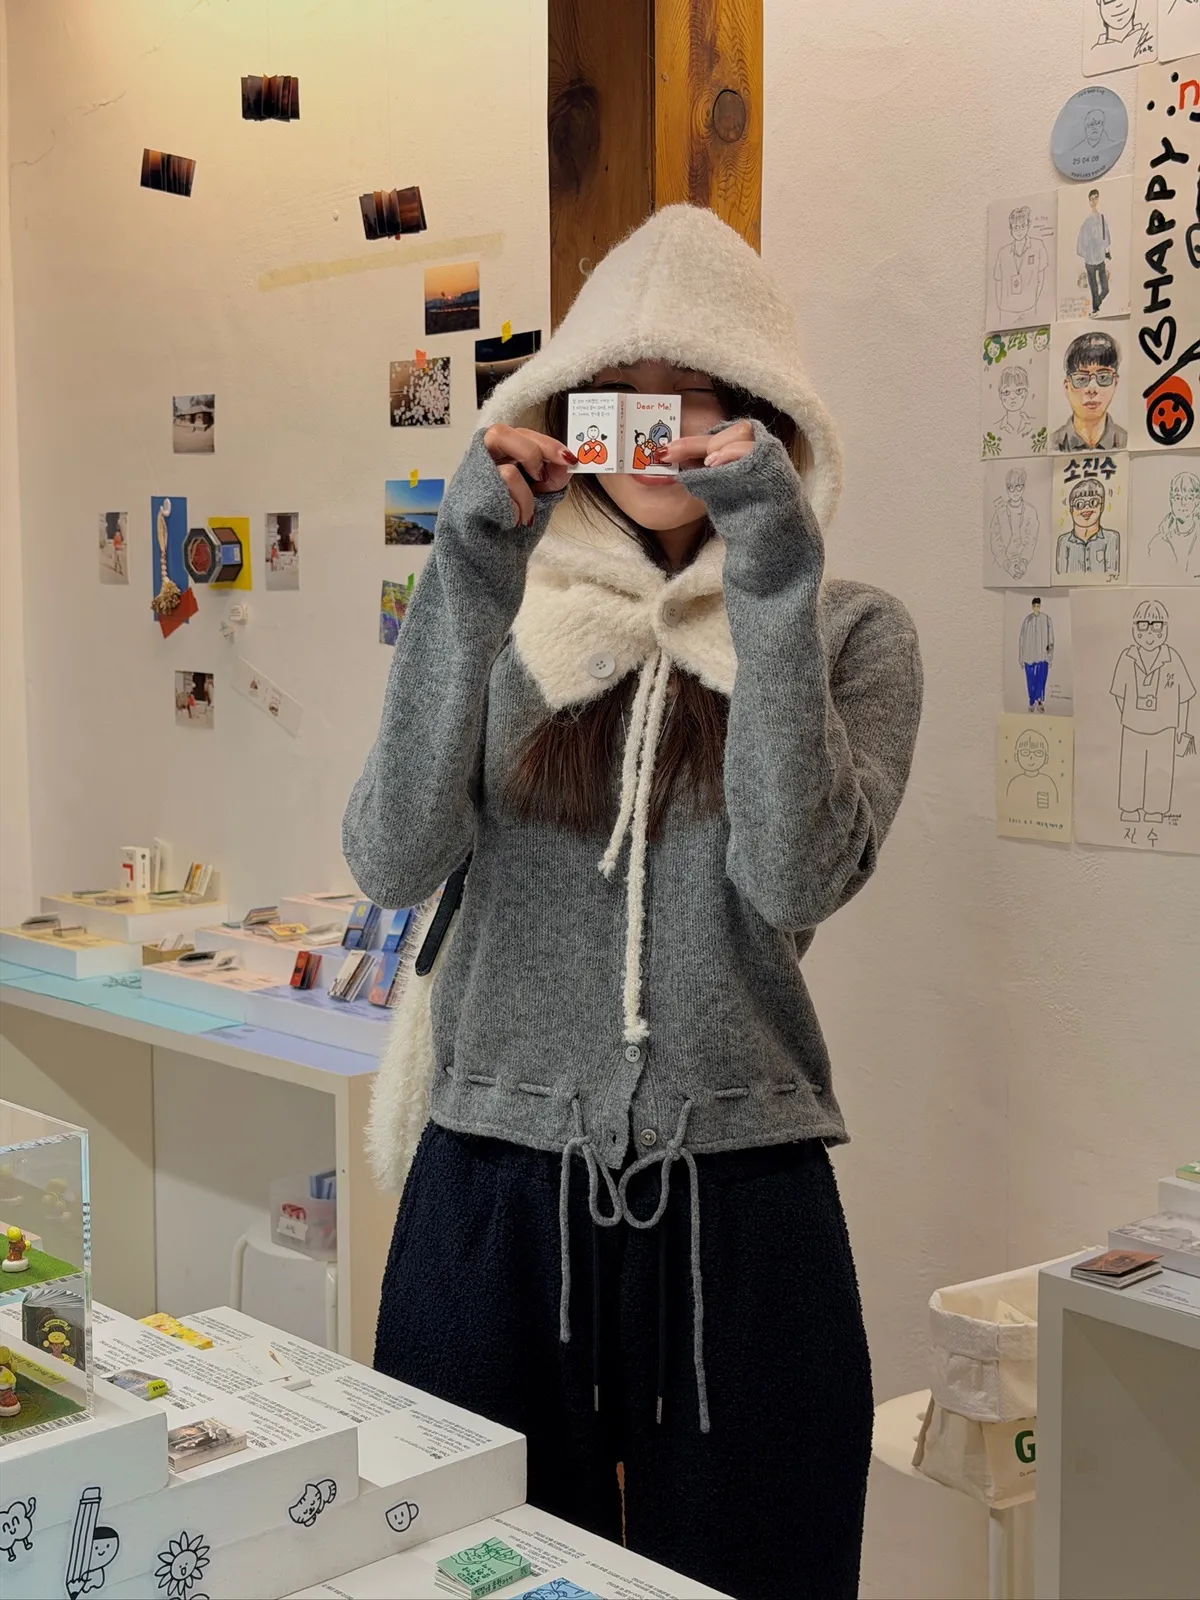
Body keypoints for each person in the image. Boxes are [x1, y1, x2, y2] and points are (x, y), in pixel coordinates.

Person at [343, 205, 923, 1600]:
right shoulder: (504, 608)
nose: (656, 432)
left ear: (765, 416)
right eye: (622, 397)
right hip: (492, 1186)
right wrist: (464, 574)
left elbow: (793, 878)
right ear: (567, 411)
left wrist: (770, 579)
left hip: (743, 1202)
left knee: (759, 1574)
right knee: (459, 1577)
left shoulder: (849, 631)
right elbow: (390, 856)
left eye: (697, 396)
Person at [1111, 599, 1196, 822]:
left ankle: (1155, 811)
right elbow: (1118, 694)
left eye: (1156, 625)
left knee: (1160, 770)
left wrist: (1181, 729)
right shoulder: (1127, 657)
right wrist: (1130, 715)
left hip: (1164, 729)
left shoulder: (1173, 658)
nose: (1149, 632)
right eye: (1143, 624)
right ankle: (1129, 808)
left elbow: (1184, 698)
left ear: (1165, 628)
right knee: (1131, 768)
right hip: (1133, 728)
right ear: (1134, 627)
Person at [1050, 330, 1127, 451]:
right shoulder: (1052, 444)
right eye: (1081, 379)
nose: (1092, 389)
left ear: (1115, 383)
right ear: (1067, 386)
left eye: (1103, 377)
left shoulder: (1126, 442)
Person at [993, 204, 1049, 327]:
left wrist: (1034, 300)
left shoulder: (1038, 246)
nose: (1019, 231)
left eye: (1023, 226)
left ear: (1028, 225)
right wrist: (1000, 305)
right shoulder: (1003, 253)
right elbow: (998, 281)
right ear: (1010, 228)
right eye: (1016, 227)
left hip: (1029, 306)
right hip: (1007, 308)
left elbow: (1041, 278)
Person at [1056, 476, 1121, 578]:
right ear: (1071, 509)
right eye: (1079, 504)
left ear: (1101, 506)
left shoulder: (1111, 538)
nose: (1086, 508)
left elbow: (1112, 576)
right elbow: (1060, 577)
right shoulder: (1064, 541)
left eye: (1093, 502)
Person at [1146, 469, 1200, 577]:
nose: (1183, 503)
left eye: (1189, 498)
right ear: (1171, 500)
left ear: (1197, 501)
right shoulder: (1157, 543)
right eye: (1178, 497)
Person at [990, 467, 1040, 580]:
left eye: (1018, 486)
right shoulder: (999, 512)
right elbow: (995, 541)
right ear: (1007, 489)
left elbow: (1031, 541)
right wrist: (1007, 565)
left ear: (1023, 487)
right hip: (1002, 562)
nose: (1015, 491)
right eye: (1011, 488)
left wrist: (1024, 563)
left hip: (1025, 562)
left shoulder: (1030, 512)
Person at [1077, 189, 1112, 315]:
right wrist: (1085, 253)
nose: (1093, 201)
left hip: (1100, 257)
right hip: (1090, 259)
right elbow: (1082, 241)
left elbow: (1106, 238)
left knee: (1105, 289)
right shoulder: (1086, 221)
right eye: (1091, 198)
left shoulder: (1102, 219)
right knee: (1094, 288)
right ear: (1089, 201)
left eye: (1095, 198)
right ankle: (1095, 309)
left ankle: (1096, 304)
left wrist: (1107, 251)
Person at [1006, 729, 1059, 810]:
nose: (1031, 757)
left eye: (1038, 753)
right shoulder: (1015, 783)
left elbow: (1055, 806)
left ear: (1046, 758)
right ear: (1016, 756)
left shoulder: (1047, 782)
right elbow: (1008, 806)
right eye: (1025, 752)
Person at [1018, 598, 1054, 712]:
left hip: (1042, 656)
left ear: (1040, 606)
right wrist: (1021, 657)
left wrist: (1050, 656)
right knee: (1030, 679)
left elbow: (1051, 639)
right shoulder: (1027, 620)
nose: (1036, 608)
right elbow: (1021, 639)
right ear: (1032, 606)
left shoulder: (1046, 619)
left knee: (1041, 679)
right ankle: (1031, 701)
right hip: (1029, 656)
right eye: (1034, 606)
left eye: (1038, 606)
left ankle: (1039, 701)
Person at [994, 366, 1037, 442]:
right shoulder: (995, 429)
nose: (1012, 397)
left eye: (1019, 390)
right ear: (1001, 395)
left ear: (1025, 393)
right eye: (1007, 392)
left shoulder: (1036, 424)